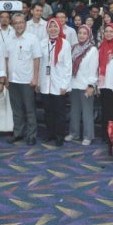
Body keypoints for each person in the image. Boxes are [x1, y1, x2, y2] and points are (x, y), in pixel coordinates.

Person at [5, 13, 42, 145]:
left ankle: (31, 135)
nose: (19, 25)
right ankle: (18, 133)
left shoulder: (33, 39)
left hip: (27, 80)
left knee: (30, 110)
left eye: (21, 22)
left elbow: (37, 59)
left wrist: (36, 78)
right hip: (13, 80)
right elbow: (6, 59)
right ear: (13, 25)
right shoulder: (9, 39)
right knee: (16, 109)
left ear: (25, 24)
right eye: (16, 23)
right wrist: (6, 77)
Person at [37, 18, 71, 146]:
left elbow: (68, 66)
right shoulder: (41, 43)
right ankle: (50, 133)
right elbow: (39, 64)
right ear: (47, 29)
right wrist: (39, 83)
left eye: (55, 26)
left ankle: (59, 136)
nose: (52, 29)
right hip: (45, 84)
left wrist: (65, 85)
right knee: (48, 111)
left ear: (59, 28)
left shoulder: (65, 44)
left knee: (59, 112)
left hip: (59, 84)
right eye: (50, 26)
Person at [66, 25, 99, 145]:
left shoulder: (92, 50)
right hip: (74, 84)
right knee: (74, 111)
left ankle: (88, 136)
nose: (81, 35)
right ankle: (74, 133)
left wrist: (91, 85)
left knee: (87, 112)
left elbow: (94, 68)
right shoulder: (73, 47)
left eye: (84, 33)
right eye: (80, 33)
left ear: (89, 35)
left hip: (86, 85)